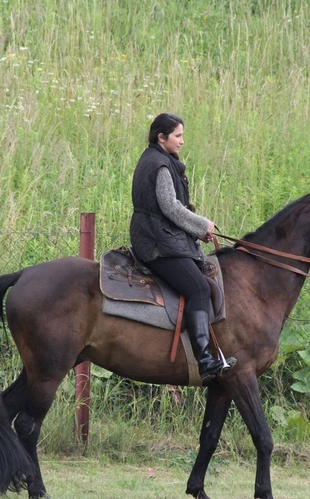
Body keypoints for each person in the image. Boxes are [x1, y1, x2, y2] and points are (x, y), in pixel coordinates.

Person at [129, 113, 236, 383]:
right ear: (161, 137)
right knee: (198, 288)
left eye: (181, 135)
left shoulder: (154, 159)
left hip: (158, 235)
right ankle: (204, 360)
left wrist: (195, 231)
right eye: (177, 135)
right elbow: (170, 207)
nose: (182, 141)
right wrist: (202, 225)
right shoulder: (160, 166)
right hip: (157, 242)